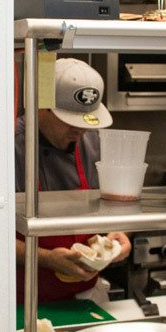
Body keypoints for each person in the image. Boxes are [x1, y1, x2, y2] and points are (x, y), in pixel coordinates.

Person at [14, 57, 131, 304]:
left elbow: (119, 205)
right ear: (41, 106)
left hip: (88, 295)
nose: (80, 131)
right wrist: (45, 257)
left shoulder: (95, 142)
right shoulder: (10, 147)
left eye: (86, 121)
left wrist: (118, 233)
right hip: (22, 300)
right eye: (69, 121)